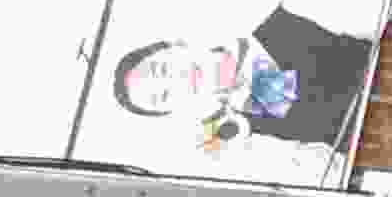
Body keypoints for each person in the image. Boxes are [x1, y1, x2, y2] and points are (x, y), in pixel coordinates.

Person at [111, 11, 375, 151]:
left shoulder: (276, 17)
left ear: (175, 45)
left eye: (162, 69)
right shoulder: (252, 132)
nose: (178, 81)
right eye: (165, 95)